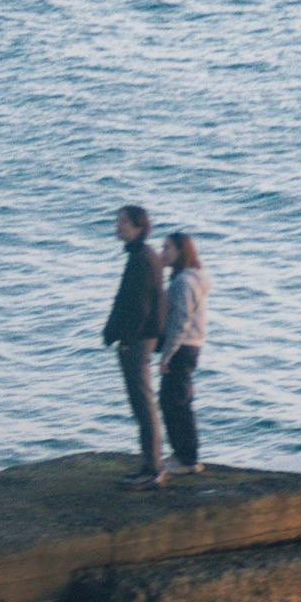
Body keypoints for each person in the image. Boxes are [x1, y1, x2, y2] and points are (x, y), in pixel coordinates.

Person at [99, 204, 166, 480]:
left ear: (139, 227)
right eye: (119, 221)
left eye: (124, 222)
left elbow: (139, 307)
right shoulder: (142, 255)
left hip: (137, 340)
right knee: (142, 402)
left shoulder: (142, 259)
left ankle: (153, 468)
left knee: (143, 402)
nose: (118, 226)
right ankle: (151, 465)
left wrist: (126, 339)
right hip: (141, 338)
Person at [154, 232, 210, 479]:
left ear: (180, 252)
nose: (162, 252)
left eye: (167, 248)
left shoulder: (184, 282)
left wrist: (167, 355)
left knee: (176, 401)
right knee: (172, 400)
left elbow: (181, 321)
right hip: (188, 345)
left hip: (183, 346)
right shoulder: (188, 278)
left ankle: (188, 458)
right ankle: (181, 454)